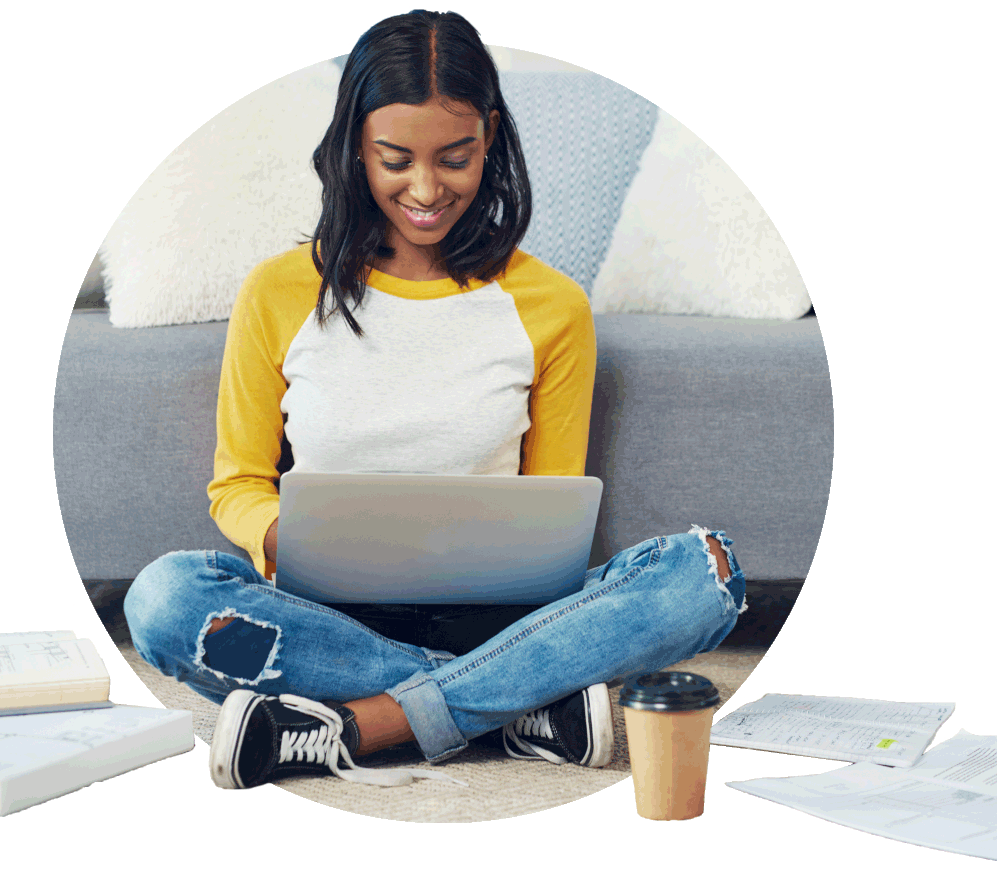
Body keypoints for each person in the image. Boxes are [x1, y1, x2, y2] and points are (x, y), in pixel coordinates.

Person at [124, 9, 746, 790]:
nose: (425, 189)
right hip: (327, 620)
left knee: (706, 571)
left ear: (489, 136)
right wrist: (283, 533)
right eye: (395, 159)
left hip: (505, 617)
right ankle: (519, 703)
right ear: (356, 145)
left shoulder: (550, 304)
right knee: (164, 599)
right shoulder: (279, 291)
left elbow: (552, 508)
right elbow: (236, 483)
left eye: (455, 157)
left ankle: (364, 722)